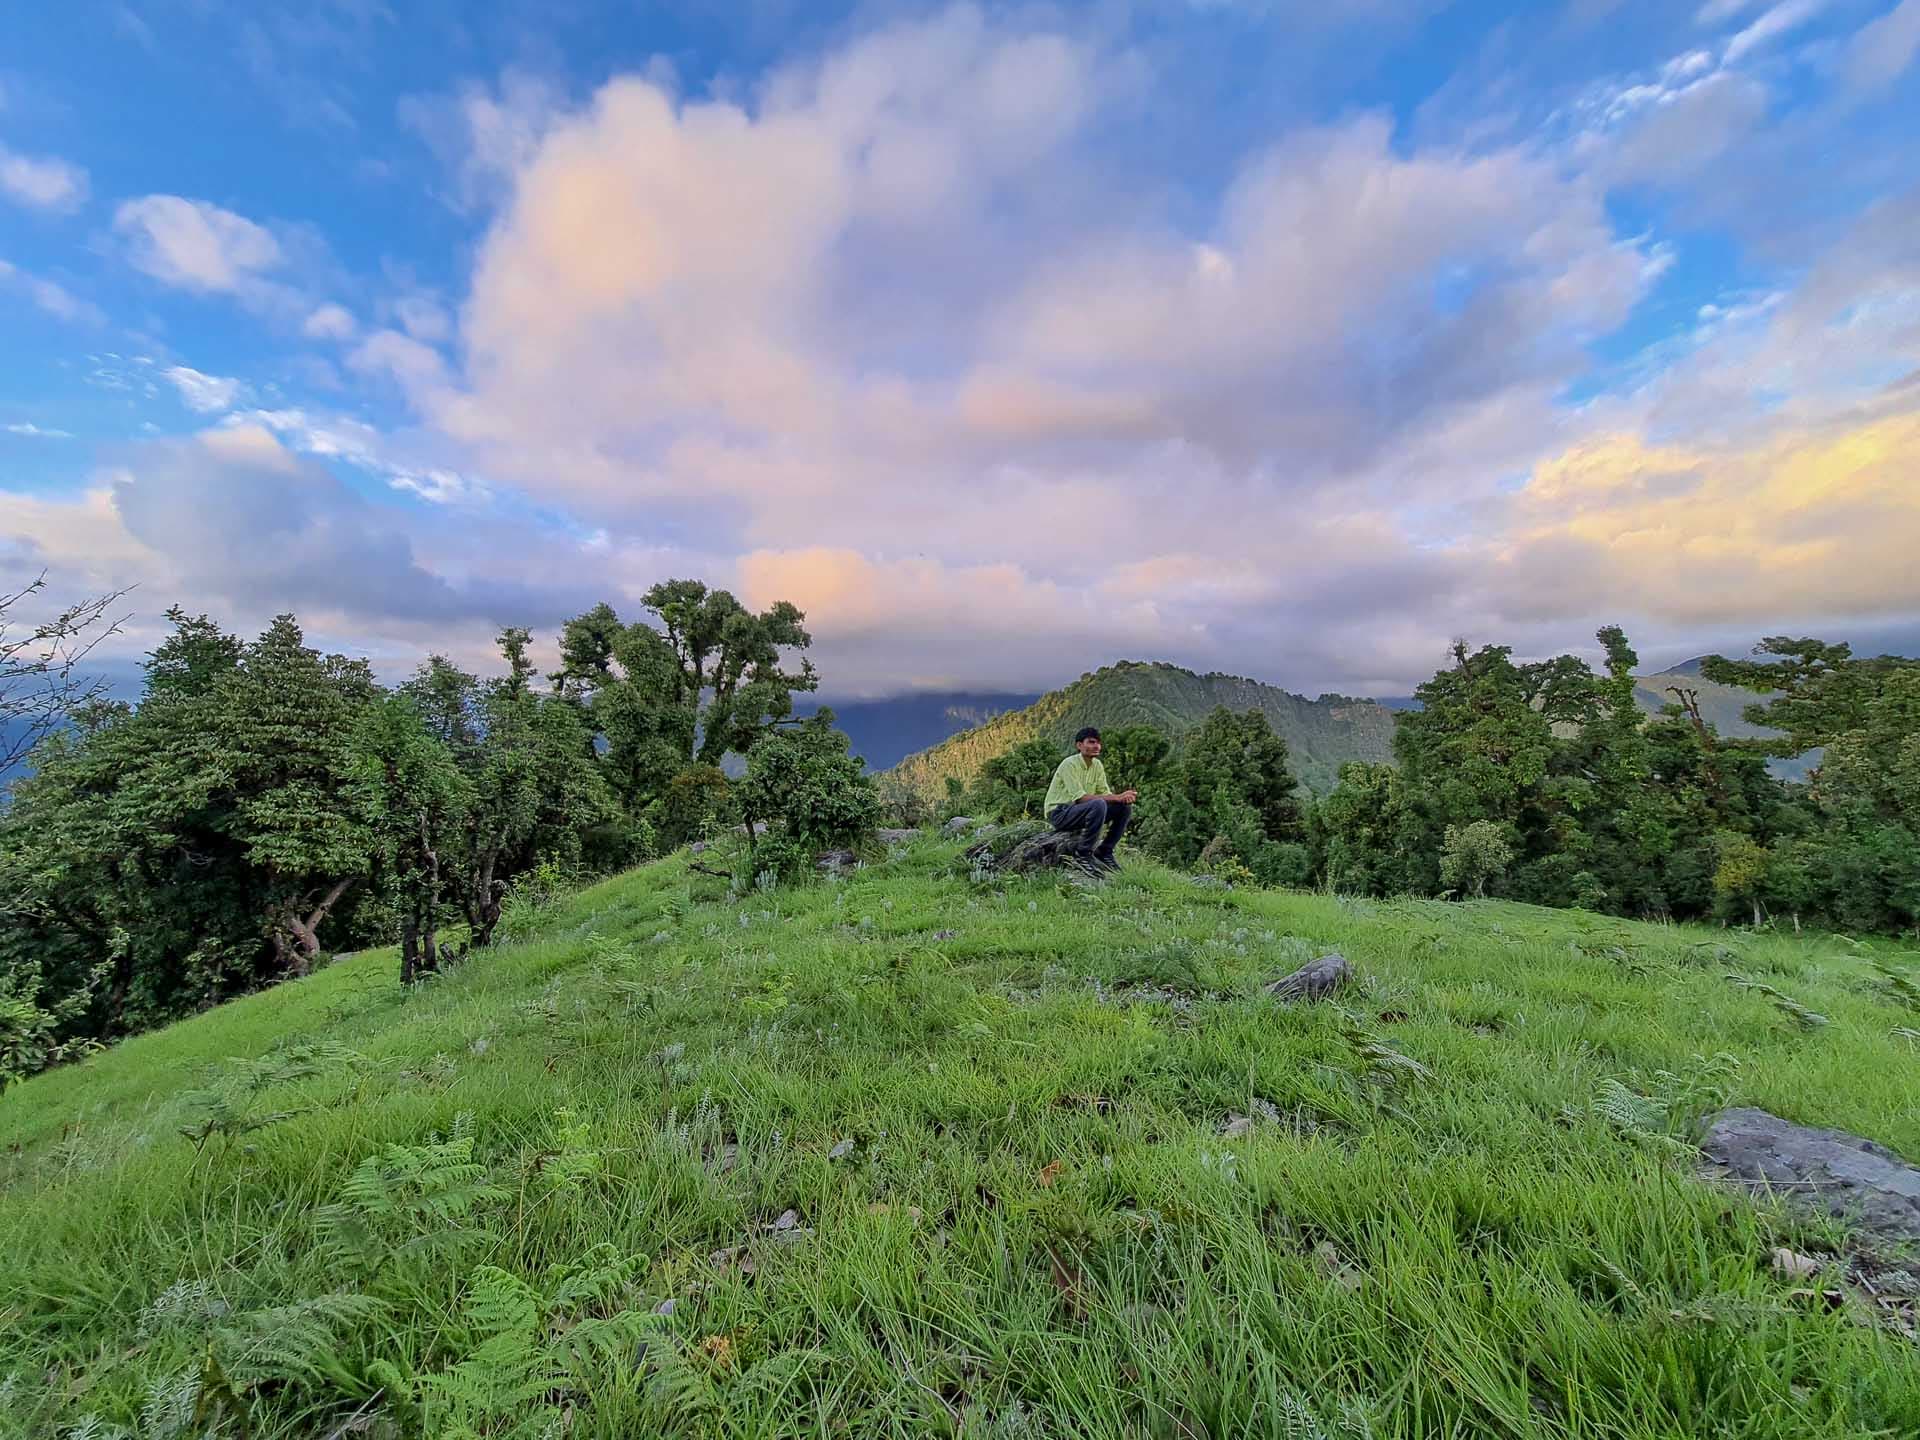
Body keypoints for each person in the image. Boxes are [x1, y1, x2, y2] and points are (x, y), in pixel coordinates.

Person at [1043, 727, 1137, 872]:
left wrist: (1123, 799)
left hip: (1079, 812)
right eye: (1091, 742)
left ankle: (1104, 851)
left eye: (1098, 743)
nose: (1096, 746)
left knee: (1123, 808)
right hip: (1059, 813)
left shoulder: (1097, 765)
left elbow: (1106, 794)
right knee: (1098, 803)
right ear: (1079, 745)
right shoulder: (1069, 764)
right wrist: (1117, 797)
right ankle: (1083, 854)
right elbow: (1080, 798)